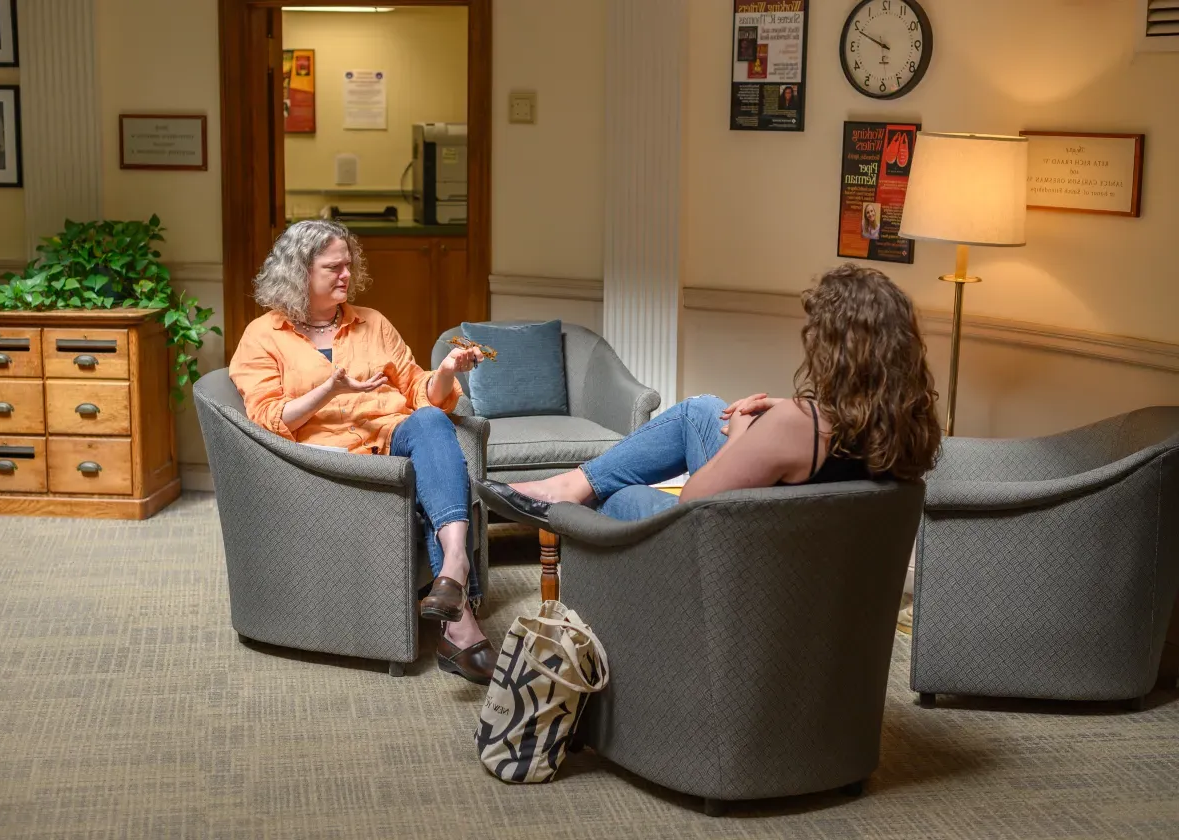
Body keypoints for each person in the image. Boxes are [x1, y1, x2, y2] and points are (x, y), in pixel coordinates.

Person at [228, 219, 496, 685]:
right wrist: (330, 388)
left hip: (392, 438)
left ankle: (454, 562)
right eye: (333, 267)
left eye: (348, 265)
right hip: (331, 463)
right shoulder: (262, 336)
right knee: (436, 488)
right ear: (298, 272)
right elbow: (269, 419)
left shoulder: (372, 321)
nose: (345, 276)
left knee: (432, 421)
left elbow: (420, 392)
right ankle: (462, 626)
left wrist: (448, 370)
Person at [475, 264, 942, 526]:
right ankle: (570, 483)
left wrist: (743, 435)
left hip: (739, 550)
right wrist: (785, 408)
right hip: (810, 552)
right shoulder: (909, 424)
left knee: (619, 497)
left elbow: (694, 501)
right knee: (701, 410)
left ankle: (567, 495)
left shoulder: (799, 426)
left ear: (838, 352)